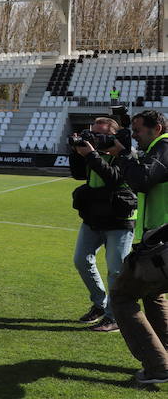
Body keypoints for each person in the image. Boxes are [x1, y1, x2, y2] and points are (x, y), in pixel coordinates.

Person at [101, 110, 168, 383]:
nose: (135, 136)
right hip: (158, 243)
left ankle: (158, 368)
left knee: (121, 297)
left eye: (139, 130)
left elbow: (141, 178)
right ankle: (163, 358)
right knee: (153, 296)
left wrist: (122, 154)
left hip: (162, 245)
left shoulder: (164, 147)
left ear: (157, 127)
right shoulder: (159, 148)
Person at [69, 117, 137, 332]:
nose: (95, 138)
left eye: (100, 135)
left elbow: (115, 179)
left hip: (119, 219)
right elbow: (78, 174)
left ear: (113, 136)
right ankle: (100, 304)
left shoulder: (126, 155)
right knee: (81, 260)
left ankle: (114, 316)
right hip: (93, 217)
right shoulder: (94, 154)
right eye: (93, 133)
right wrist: (76, 151)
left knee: (116, 270)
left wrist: (92, 155)